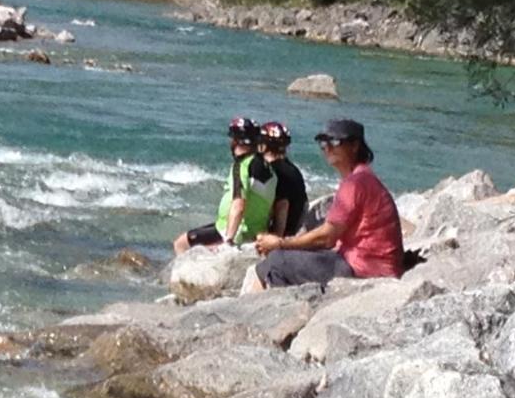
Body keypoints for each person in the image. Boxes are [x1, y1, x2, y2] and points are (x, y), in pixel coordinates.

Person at [252, 119, 403, 288]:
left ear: (354, 146)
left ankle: (284, 308)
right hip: (366, 262)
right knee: (277, 260)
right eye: (323, 142)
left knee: (276, 261)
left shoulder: (356, 183)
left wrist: (280, 243)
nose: (327, 148)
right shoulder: (362, 178)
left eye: (335, 141)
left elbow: (327, 238)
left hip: (365, 269)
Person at [173, 116, 278, 254]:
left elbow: (239, 204)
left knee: (181, 244)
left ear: (236, 141)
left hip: (235, 231)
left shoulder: (242, 166)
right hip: (257, 230)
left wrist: (228, 240)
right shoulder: (268, 169)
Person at [258, 121, 308, 236]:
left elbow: (282, 207)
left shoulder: (276, 172)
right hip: (294, 228)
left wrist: (277, 240)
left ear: (264, 145)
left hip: (283, 233)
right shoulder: (293, 169)